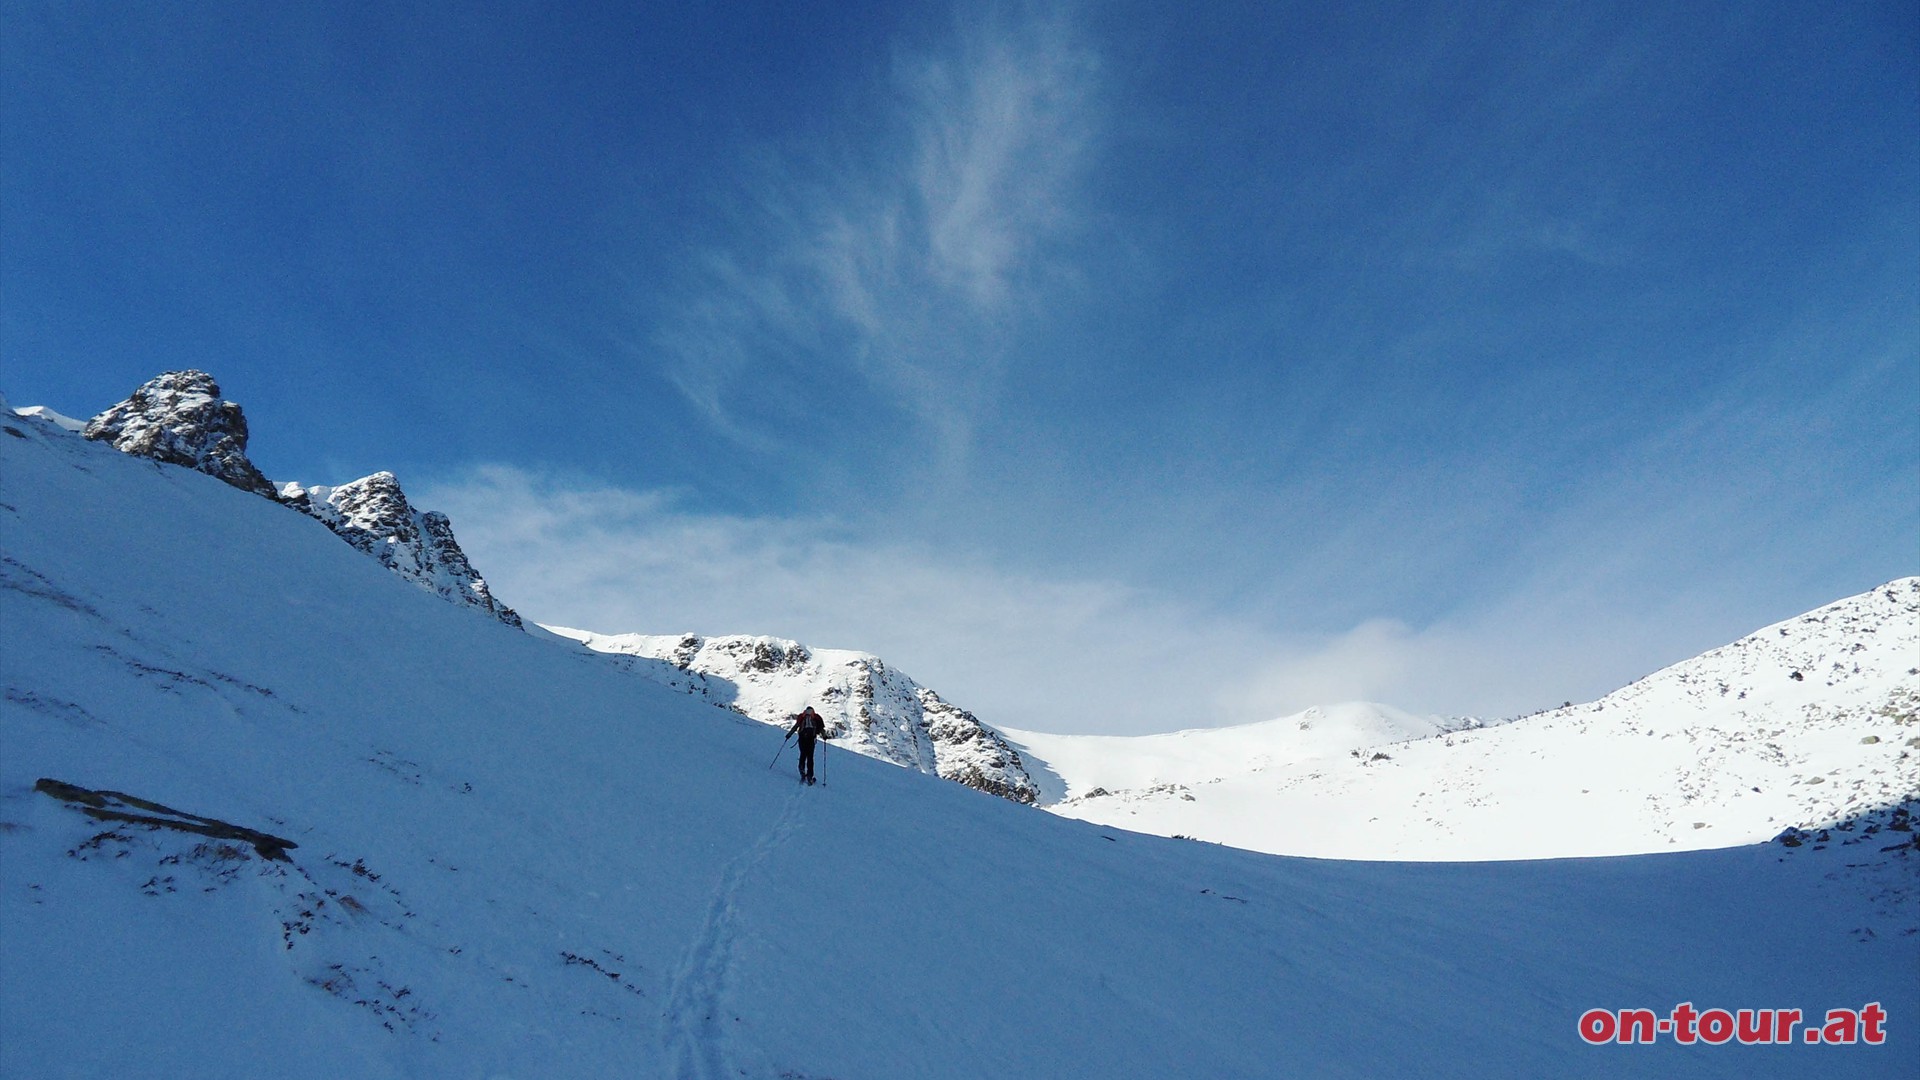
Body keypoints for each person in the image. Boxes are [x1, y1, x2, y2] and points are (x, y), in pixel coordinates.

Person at [788, 706, 827, 785]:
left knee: (803, 754)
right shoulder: (816, 718)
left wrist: (788, 735)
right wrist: (824, 736)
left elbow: (796, 727)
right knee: (810, 757)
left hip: (802, 738)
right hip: (811, 739)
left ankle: (802, 770)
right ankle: (810, 776)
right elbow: (821, 729)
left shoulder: (802, 717)